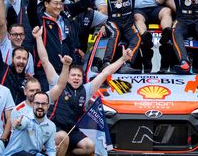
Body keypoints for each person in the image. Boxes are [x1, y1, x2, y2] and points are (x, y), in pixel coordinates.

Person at [33, 26, 133, 156]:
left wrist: (123, 59)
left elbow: (105, 72)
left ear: (82, 79)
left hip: (72, 130)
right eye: (73, 75)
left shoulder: (86, 90)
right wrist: (38, 38)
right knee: (63, 138)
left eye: (79, 76)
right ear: (67, 76)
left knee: (89, 146)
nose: (76, 78)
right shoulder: (58, 83)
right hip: (54, 128)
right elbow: (45, 61)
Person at [27, 0, 89, 90]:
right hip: (45, 71)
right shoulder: (39, 20)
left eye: (61, 3)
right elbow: (31, 11)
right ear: (46, 4)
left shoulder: (65, 19)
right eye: (56, 3)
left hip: (65, 69)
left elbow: (71, 44)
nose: (59, 6)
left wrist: (72, 65)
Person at [0, 16, 31, 104]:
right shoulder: (3, 69)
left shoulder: (27, 81)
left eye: (24, 59)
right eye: (18, 58)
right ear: (12, 59)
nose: (21, 61)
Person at [4, 92, 56, 156]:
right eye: (37, 103)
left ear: (48, 106)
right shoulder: (25, 117)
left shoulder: (51, 126)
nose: (40, 106)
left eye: (43, 104)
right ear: (33, 104)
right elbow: (21, 124)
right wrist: (18, 124)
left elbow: (51, 150)